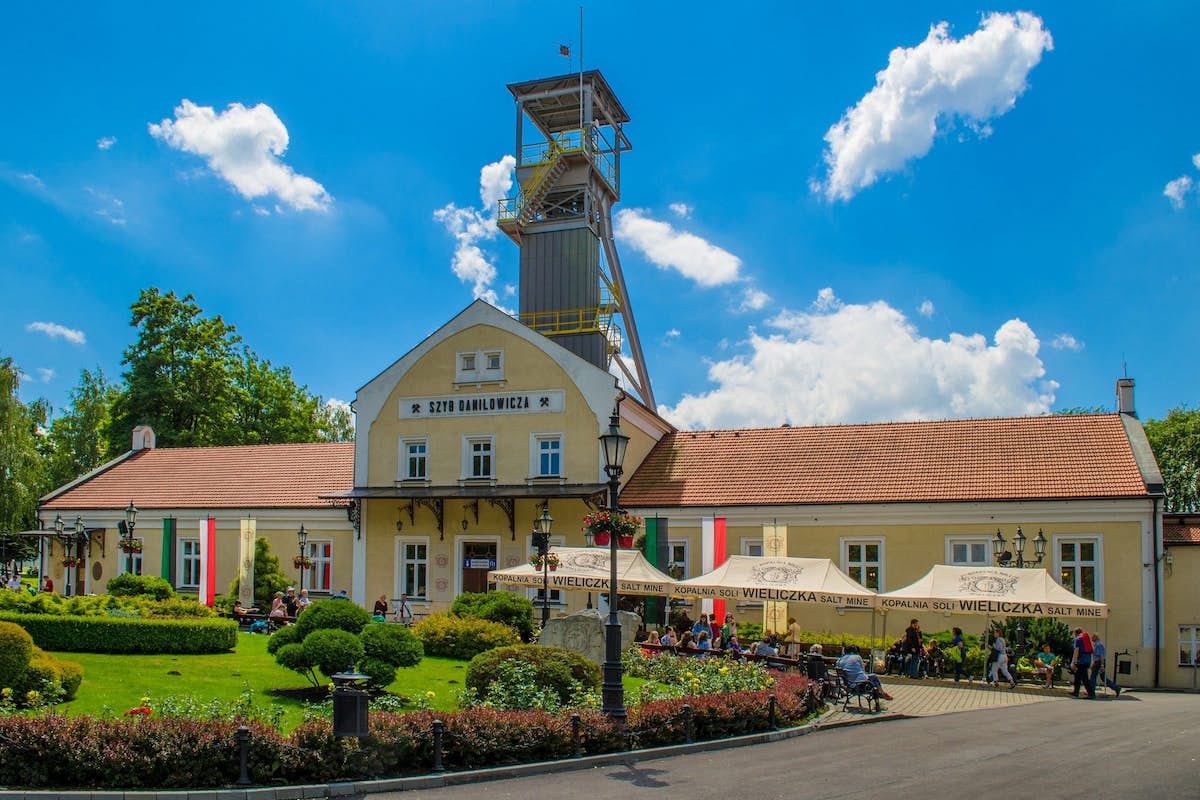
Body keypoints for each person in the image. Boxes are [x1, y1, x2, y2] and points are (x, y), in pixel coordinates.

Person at [1089, 632, 1120, 697]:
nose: (1091, 639)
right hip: (1098, 662)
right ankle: (1116, 688)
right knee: (1103, 678)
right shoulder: (1097, 644)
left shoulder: (1098, 645)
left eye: (1092, 638)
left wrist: (1102, 665)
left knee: (1093, 677)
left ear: (1095, 638)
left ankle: (1091, 692)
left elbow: (1101, 656)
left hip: (1099, 662)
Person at [1070, 627, 1096, 698]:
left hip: (1081, 661)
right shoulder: (1086, 639)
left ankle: (1091, 694)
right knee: (1078, 677)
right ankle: (1076, 692)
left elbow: (1076, 651)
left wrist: (1073, 662)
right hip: (1087, 661)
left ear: (1076, 633)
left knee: (1084, 679)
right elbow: (1091, 650)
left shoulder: (1078, 639)